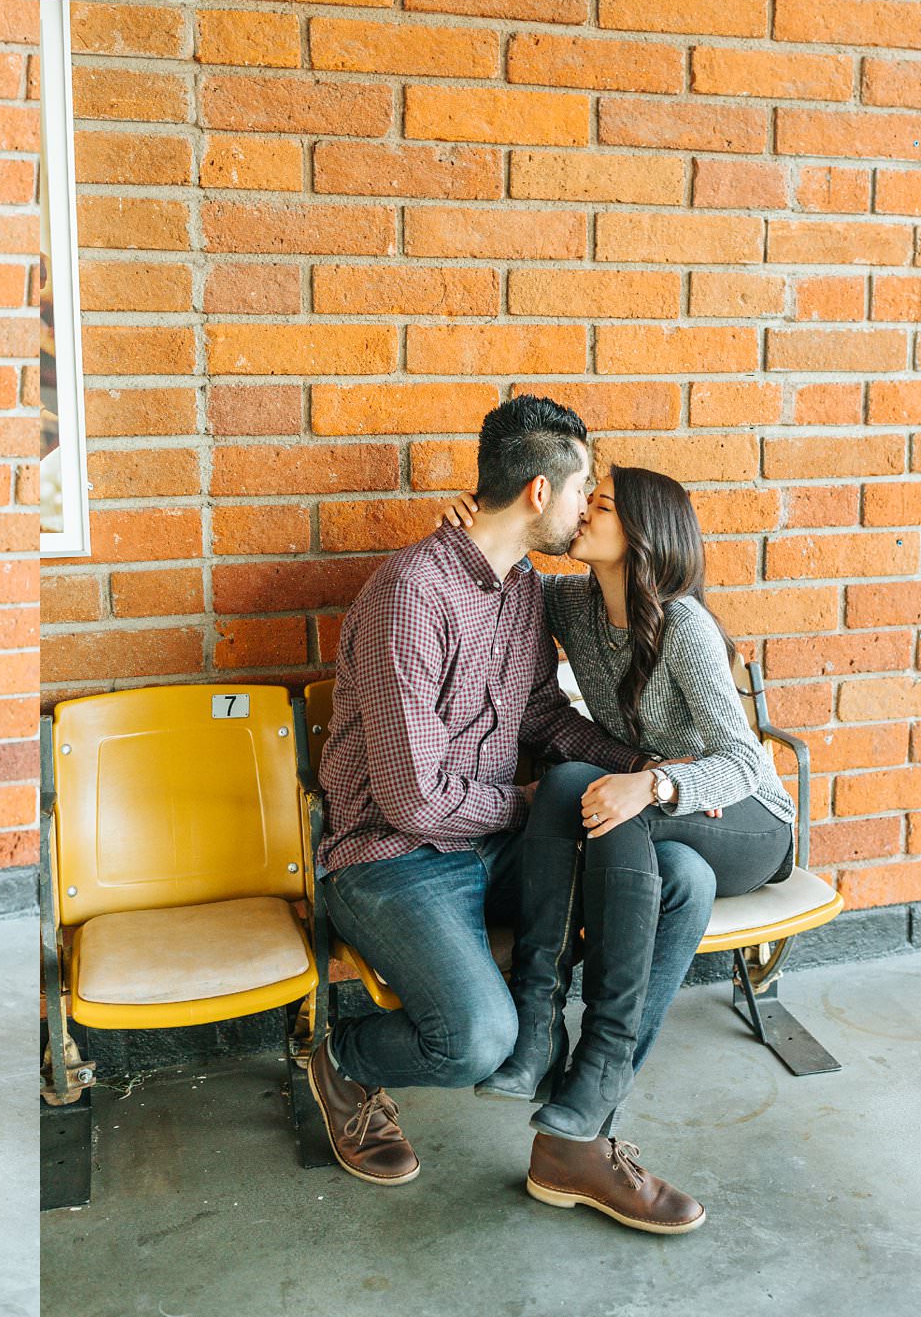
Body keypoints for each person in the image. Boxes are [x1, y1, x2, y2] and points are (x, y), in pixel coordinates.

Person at [308, 395, 715, 1236]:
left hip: (493, 846)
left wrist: (638, 770)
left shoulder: (523, 587)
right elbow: (414, 797)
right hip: (390, 857)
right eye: (582, 493)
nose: (586, 508)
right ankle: (341, 1059)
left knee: (681, 879)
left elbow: (539, 713)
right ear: (539, 493)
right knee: (476, 1040)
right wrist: (541, 806)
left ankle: (578, 1129)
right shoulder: (409, 598)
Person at [446, 466, 795, 1162]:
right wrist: (477, 531)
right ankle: (557, 1042)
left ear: (641, 533)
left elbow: (745, 760)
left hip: (748, 820)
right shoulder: (573, 605)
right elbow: (504, 578)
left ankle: (581, 1050)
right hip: (668, 830)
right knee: (642, 842)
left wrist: (655, 787)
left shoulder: (683, 625)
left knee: (589, 789)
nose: (582, 512)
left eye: (599, 504)